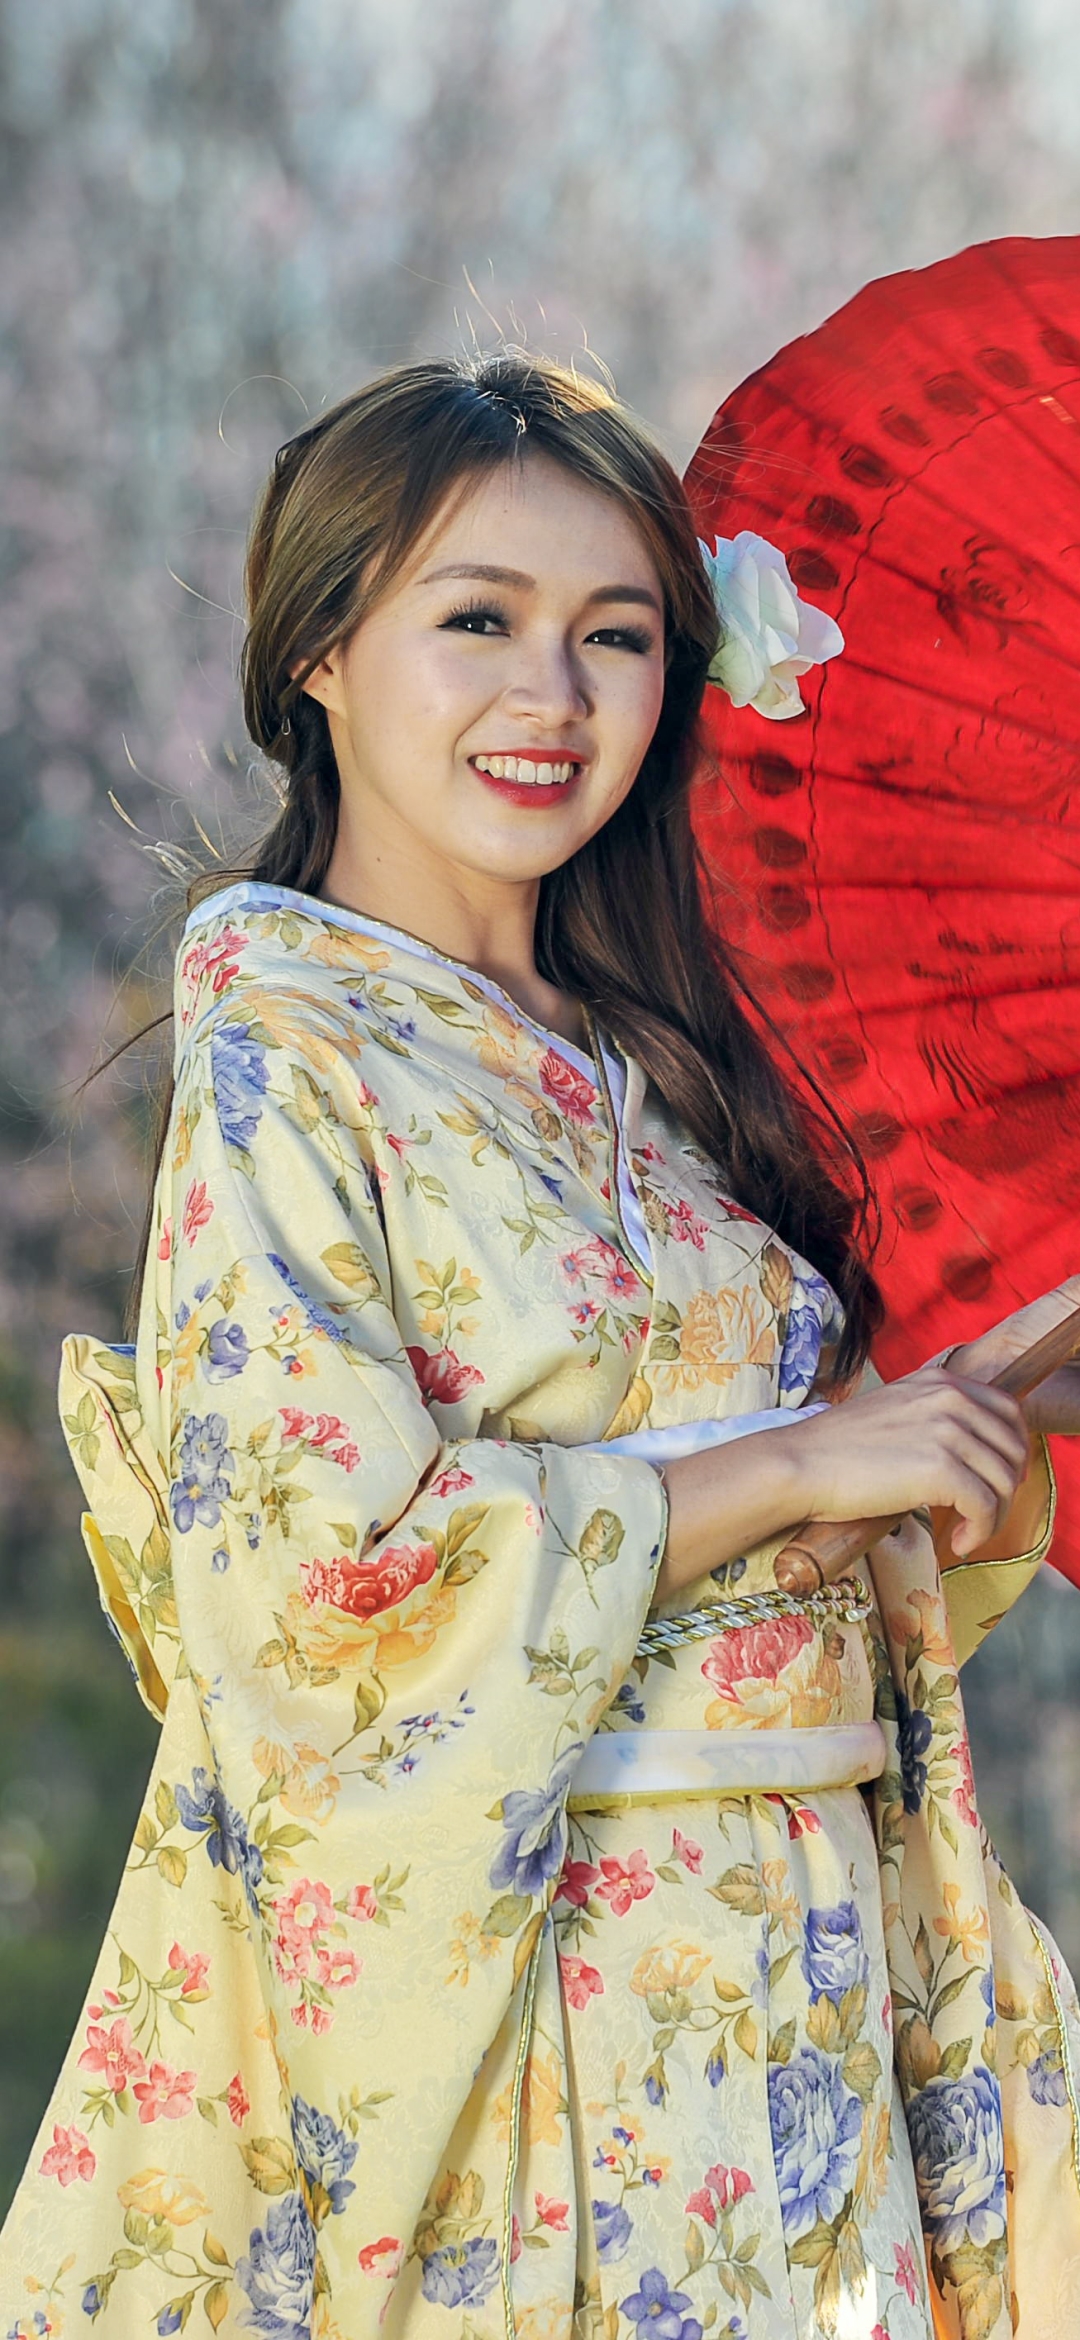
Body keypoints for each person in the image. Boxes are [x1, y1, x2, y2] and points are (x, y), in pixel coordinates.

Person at [2, 353, 1079, 2340]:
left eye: (619, 638)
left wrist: (957, 1413)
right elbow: (315, 1597)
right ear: (320, 647)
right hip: (553, 2027)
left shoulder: (664, 1068)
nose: (555, 700)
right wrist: (782, 1470)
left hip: (810, 1974)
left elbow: (802, 1524)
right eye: (478, 621)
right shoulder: (285, 1045)